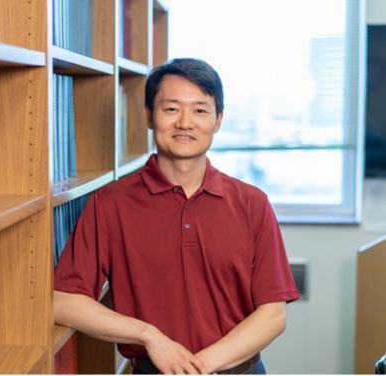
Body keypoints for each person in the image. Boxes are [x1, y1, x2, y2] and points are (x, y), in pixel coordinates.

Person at [54, 58, 299, 374]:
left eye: (199, 110)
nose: (185, 122)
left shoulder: (252, 203)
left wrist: (197, 367)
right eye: (171, 109)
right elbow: (63, 301)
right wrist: (148, 335)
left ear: (218, 120)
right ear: (149, 116)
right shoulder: (110, 203)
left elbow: (273, 314)